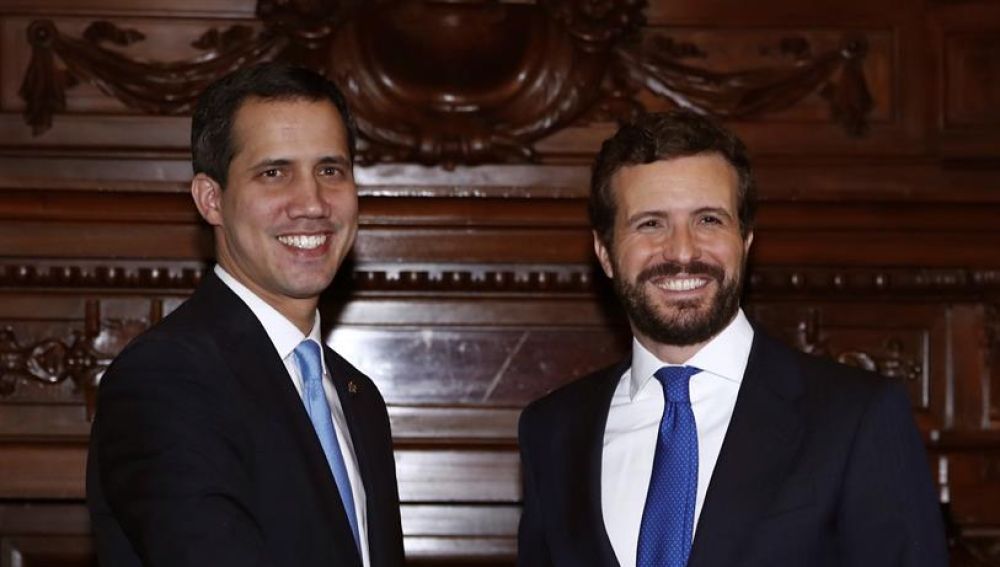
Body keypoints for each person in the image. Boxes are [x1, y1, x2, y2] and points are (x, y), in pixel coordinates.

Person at [517, 110, 947, 567]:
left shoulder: (857, 417)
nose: (682, 251)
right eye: (651, 224)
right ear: (604, 252)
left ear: (745, 240)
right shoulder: (554, 431)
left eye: (708, 220)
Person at [86, 63, 404, 567]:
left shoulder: (356, 397)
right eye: (274, 173)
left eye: (330, 170)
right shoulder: (165, 379)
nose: (312, 203)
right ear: (211, 199)